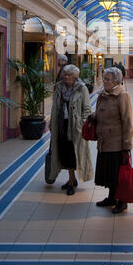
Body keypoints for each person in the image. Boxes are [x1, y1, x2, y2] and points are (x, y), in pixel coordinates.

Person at [48, 64, 94, 195]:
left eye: (70, 75)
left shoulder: (81, 88)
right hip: (61, 124)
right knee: (64, 151)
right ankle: (71, 179)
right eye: (65, 74)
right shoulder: (58, 87)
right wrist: (52, 122)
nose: (67, 77)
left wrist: (81, 123)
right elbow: (54, 107)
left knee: (74, 153)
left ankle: (72, 181)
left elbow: (87, 109)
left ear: (75, 77)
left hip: (75, 126)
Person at [94, 67, 133, 214]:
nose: (104, 81)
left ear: (116, 81)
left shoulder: (122, 96)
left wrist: (127, 144)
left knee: (118, 174)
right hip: (104, 141)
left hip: (116, 144)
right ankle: (111, 197)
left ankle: (122, 202)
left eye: (108, 79)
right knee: (109, 173)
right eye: (104, 78)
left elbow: (127, 121)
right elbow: (99, 113)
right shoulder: (104, 95)